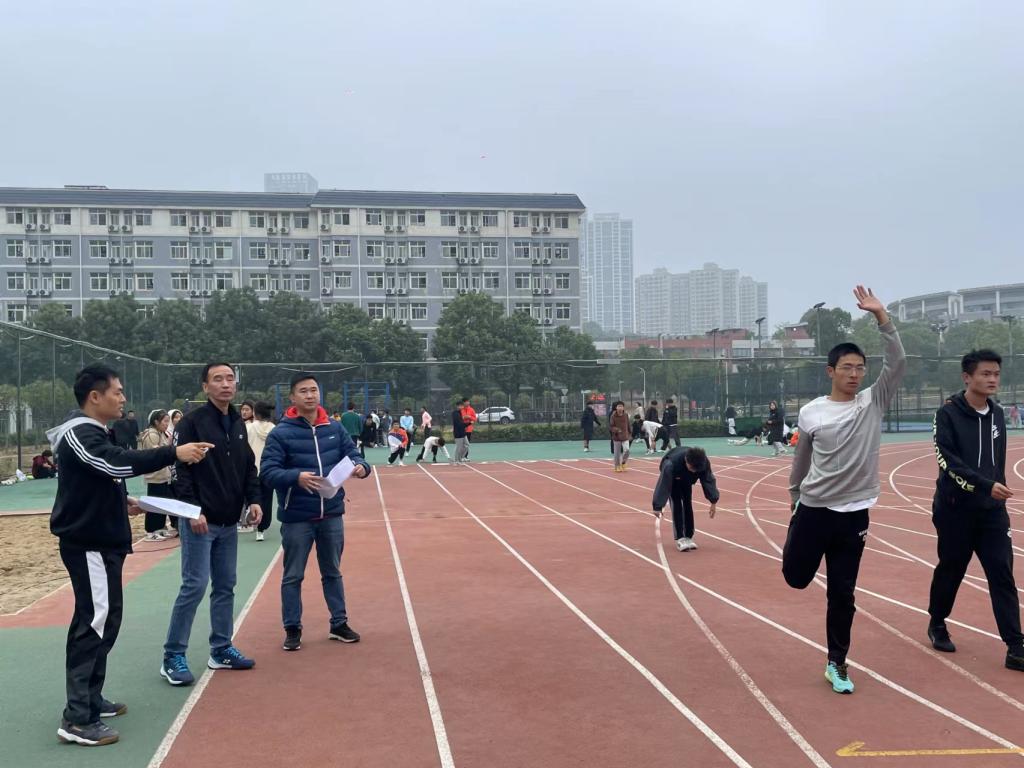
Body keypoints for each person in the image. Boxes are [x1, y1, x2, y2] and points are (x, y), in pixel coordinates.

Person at [48, 365, 211, 746]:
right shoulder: (79, 433)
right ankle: (77, 718)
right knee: (94, 621)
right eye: (117, 392)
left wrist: (123, 501)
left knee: (106, 619)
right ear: (95, 396)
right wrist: (174, 452)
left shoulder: (95, 431)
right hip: (88, 543)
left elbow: (101, 477)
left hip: (104, 540)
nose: (123, 398)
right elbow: (114, 462)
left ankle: (91, 699)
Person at [783, 285, 907, 695]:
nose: (855, 374)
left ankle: (837, 662)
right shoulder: (812, 412)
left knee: (843, 593)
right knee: (795, 578)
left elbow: (898, 361)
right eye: (847, 367)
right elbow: (801, 459)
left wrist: (882, 317)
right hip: (814, 510)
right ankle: (795, 540)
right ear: (830, 371)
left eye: (860, 368)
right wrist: (795, 497)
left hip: (854, 515)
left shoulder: (873, 402)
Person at [160, 363, 263, 687]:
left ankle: (221, 649)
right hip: (199, 523)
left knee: (225, 586)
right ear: (205, 387)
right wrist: (192, 511)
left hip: (228, 522)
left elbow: (247, 466)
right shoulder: (192, 423)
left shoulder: (238, 423)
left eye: (230, 378)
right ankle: (172, 656)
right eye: (217, 379)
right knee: (194, 586)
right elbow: (179, 470)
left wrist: (254, 499)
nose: (225, 384)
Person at [926, 350, 1024, 672]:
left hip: (992, 511)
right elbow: (947, 461)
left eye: (996, 374)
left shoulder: (997, 414)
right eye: (985, 374)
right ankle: (937, 621)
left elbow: (997, 459)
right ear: (967, 377)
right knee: (952, 567)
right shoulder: (947, 414)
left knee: (1001, 572)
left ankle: (1016, 646)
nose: (992, 379)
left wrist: (996, 489)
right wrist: (984, 485)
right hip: (955, 509)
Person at [260, 373, 371, 651]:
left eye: (313, 390)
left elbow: (354, 455)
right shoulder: (281, 433)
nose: (310, 395)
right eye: (303, 391)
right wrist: (295, 477)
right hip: (297, 516)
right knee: (293, 575)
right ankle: (292, 628)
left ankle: (339, 623)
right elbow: (268, 472)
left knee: (332, 571)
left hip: (331, 513)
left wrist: (361, 467)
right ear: (292, 397)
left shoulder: (334, 427)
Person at [652, 446, 719, 552]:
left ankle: (688, 536)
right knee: (677, 502)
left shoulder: (703, 463)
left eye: (695, 470)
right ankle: (680, 537)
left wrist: (713, 501)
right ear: (686, 460)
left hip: (687, 480)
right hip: (674, 476)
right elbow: (663, 485)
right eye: (692, 468)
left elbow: (708, 481)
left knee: (688, 503)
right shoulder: (670, 465)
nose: (694, 471)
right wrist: (657, 506)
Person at [140, 410, 177, 541]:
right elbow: (156, 453)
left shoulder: (160, 433)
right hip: (155, 475)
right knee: (154, 504)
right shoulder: (152, 434)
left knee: (162, 503)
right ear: (156, 422)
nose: (167, 424)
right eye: (165, 421)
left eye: (168, 421)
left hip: (162, 474)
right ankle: (151, 531)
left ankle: (160, 528)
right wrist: (169, 446)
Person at [246, 401, 276, 542]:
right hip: (268, 470)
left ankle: (251, 519)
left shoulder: (249, 427)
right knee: (267, 499)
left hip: (252, 469)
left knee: (252, 497)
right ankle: (261, 529)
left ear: (255, 413)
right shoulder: (274, 429)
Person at [609, 401, 631, 472]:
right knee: (617, 453)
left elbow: (628, 424)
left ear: (623, 407)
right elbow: (611, 426)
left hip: (625, 436)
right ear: (616, 407)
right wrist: (617, 430)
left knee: (627, 450)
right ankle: (617, 466)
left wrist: (630, 433)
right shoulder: (613, 416)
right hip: (617, 437)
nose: (620, 408)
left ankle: (623, 462)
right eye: (619, 406)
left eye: (621, 406)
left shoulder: (626, 415)